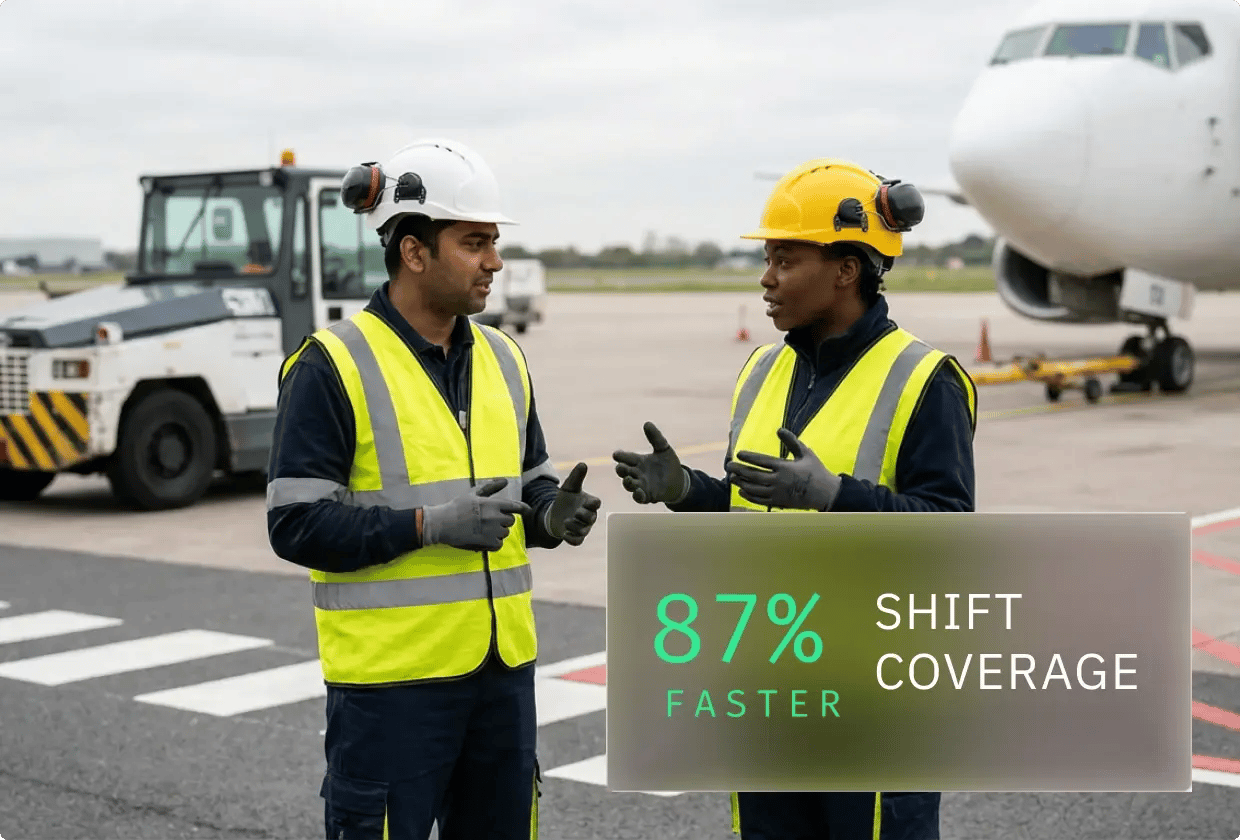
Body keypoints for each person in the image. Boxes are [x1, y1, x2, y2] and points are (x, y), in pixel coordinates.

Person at [612, 158, 977, 840]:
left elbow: (952, 537)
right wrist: (691, 492)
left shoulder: (924, 380)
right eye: (769, 258)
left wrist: (836, 497)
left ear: (846, 269)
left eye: (785, 258)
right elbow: (754, 516)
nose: (766, 277)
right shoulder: (762, 370)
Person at [266, 138, 601, 840]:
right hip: (392, 688)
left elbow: (531, 477)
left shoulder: (505, 357)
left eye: (494, 241)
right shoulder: (332, 365)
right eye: (474, 242)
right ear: (414, 252)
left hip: (501, 673)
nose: (495, 261)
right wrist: (430, 524)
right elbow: (295, 523)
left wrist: (550, 514)